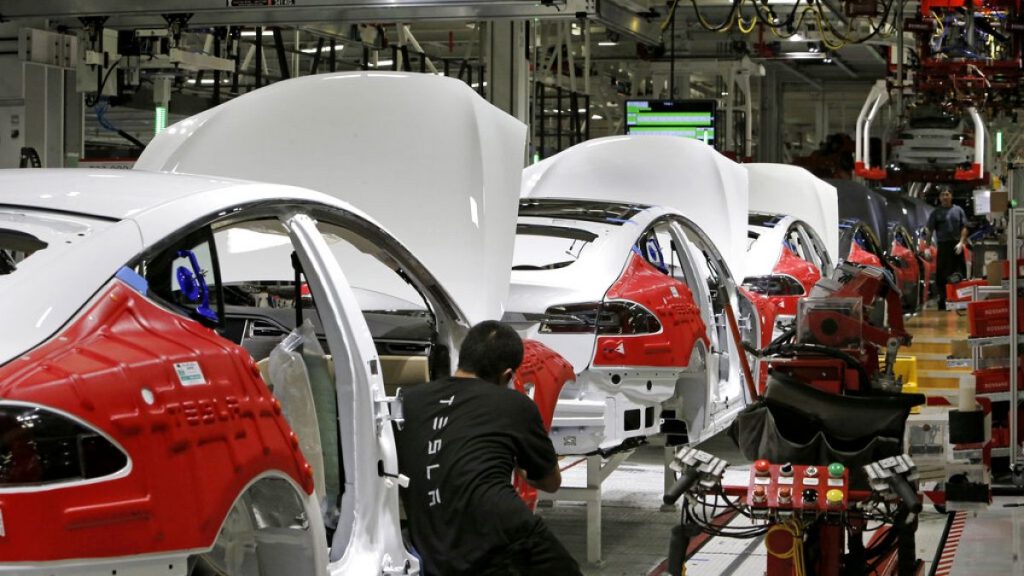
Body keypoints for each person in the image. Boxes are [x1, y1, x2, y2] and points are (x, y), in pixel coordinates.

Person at [395, 320, 581, 576]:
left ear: (464, 356)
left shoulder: (409, 400)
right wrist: (520, 464)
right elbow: (550, 482)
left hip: (433, 543)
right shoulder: (514, 404)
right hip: (502, 532)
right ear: (506, 375)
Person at [924, 187, 968, 310]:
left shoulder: (958, 210)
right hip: (943, 247)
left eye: (947, 194)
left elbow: (964, 227)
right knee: (942, 275)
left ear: (951, 196)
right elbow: (929, 230)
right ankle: (943, 301)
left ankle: (960, 300)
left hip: (956, 246)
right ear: (940, 197)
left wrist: (961, 242)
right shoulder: (936, 212)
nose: (945, 197)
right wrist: (927, 247)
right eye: (943, 195)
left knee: (959, 273)